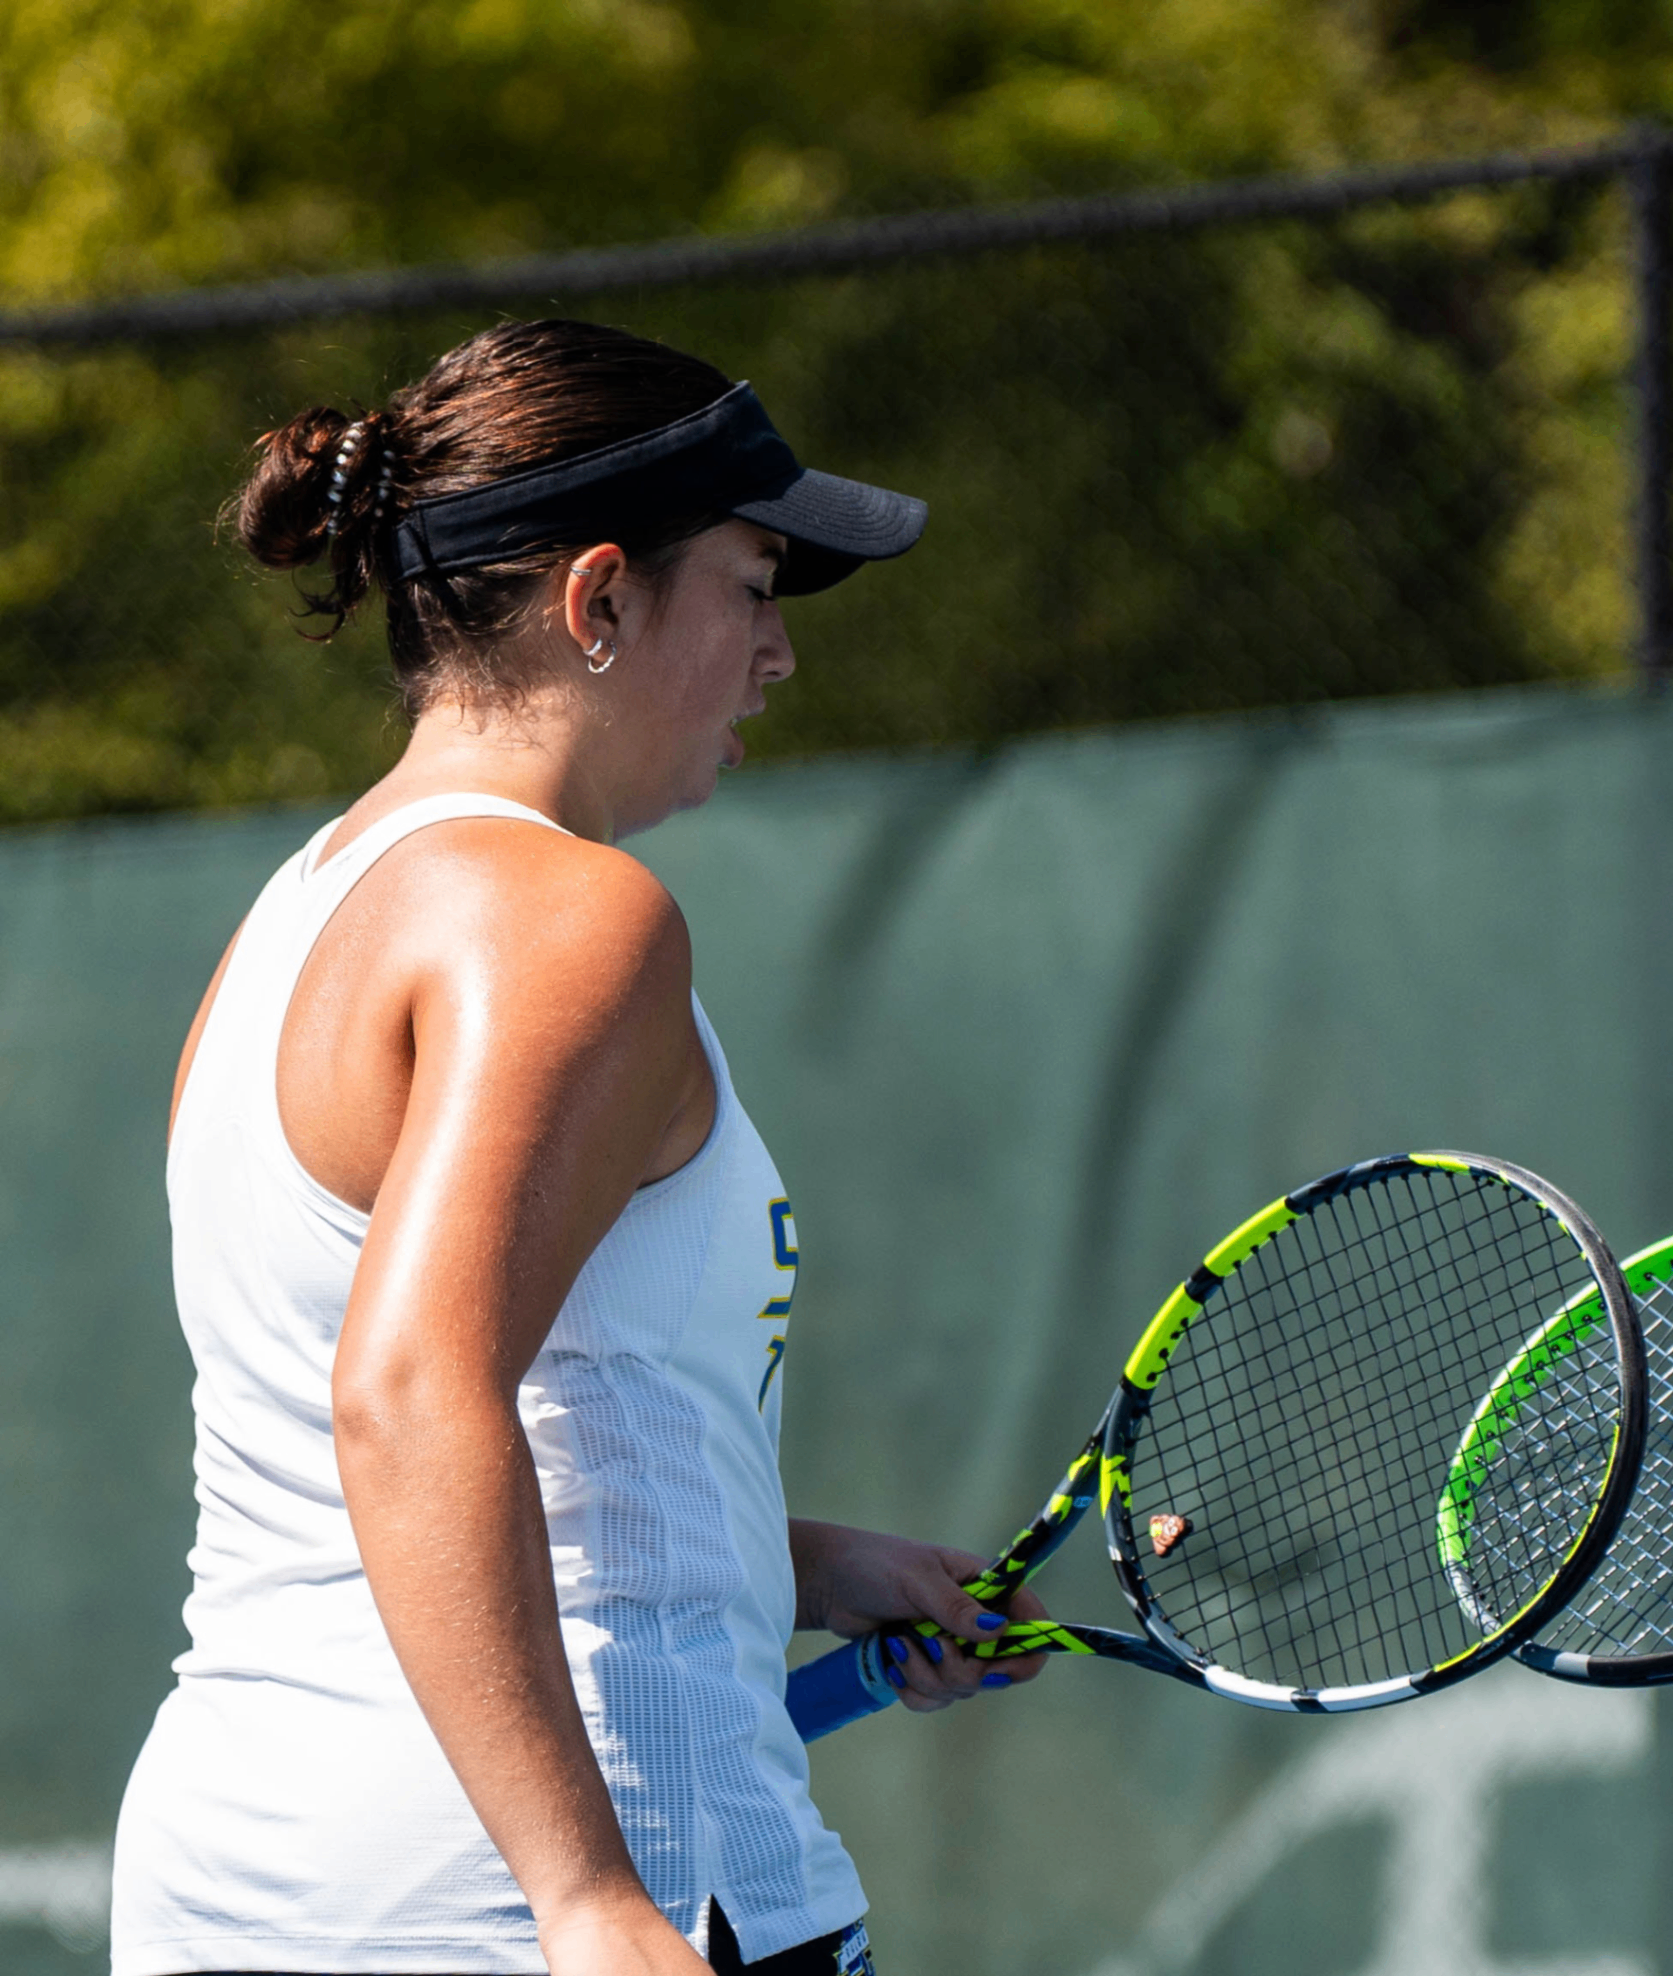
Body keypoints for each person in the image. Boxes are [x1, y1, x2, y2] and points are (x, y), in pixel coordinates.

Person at [110, 320, 1044, 1976]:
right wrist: (587, 1896)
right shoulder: (569, 919)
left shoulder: (285, 924)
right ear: (599, 601)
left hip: (230, 1890)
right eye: (752, 586)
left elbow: (431, 1438)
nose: (779, 654)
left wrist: (799, 1570)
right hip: (538, 1898)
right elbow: (408, 1395)